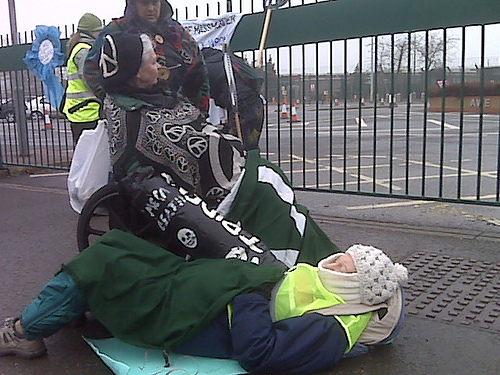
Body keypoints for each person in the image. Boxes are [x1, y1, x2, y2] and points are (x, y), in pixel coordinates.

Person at [0, 230, 407, 374]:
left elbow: (258, 352)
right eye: (341, 255)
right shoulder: (328, 298)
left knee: (107, 263)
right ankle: (71, 310)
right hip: (211, 293)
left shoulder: (332, 331)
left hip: (206, 316)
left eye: (344, 266)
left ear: (355, 290)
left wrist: (248, 289)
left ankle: (25, 332)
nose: (332, 261)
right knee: (122, 247)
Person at [97, 31, 243, 207]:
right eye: (153, 62)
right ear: (137, 73)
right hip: (161, 194)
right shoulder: (137, 118)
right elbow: (183, 142)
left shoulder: (145, 93)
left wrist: (190, 92)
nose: (159, 66)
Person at [84, 0, 210, 116]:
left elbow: (199, 69)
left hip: (180, 112)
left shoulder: (177, 31)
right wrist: (116, 102)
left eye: (155, 3)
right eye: (144, 3)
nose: (151, 8)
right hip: (134, 115)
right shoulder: (117, 29)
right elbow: (91, 69)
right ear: (133, 4)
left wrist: (201, 110)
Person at [202, 47, 265, 150]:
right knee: (250, 146)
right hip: (255, 102)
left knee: (237, 147)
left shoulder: (206, 67)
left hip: (240, 105)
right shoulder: (230, 59)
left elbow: (200, 96)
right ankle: (251, 162)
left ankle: (244, 163)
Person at [62, 13, 103, 144]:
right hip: (88, 111)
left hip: (81, 111)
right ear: (90, 32)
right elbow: (90, 78)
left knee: (85, 156)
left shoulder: (79, 48)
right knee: (90, 157)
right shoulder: (84, 50)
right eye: (99, 31)